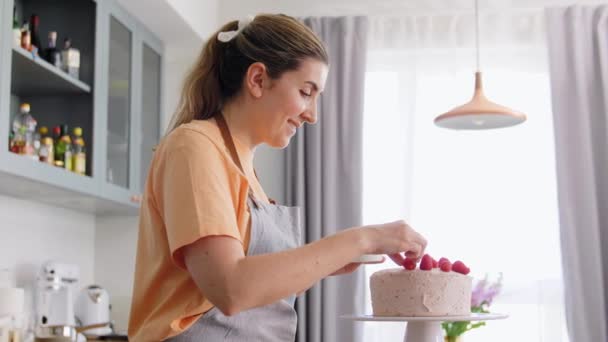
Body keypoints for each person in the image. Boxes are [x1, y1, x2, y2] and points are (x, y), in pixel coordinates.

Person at [128, 13, 427, 342]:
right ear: (257, 79)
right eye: (305, 91)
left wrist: (331, 260)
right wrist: (361, 239)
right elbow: (231, 287)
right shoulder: (195, 146)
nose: (312, 115)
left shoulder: (243, 166)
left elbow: (251, 282)